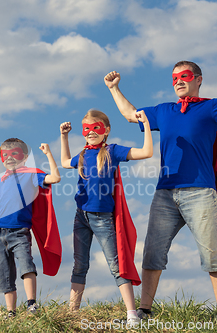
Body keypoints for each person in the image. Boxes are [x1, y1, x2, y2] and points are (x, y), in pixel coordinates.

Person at [104, 51, 217, 323]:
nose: (178, 82)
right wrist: (114, 88)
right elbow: (128, 115)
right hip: (165, 194)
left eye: (184, 76)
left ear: (198, 80)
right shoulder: (163, 111)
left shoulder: (211, 108)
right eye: (174, 78)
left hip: (201, 193)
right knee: (153, 253)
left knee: (211, 253)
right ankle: (144, 312)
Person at [60, 109, 153, 326]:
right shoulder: (82, 154)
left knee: (116, 264)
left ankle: (132, 315)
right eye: (87, 129)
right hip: (80, 216)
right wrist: (64, 136)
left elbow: (147, 152)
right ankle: (72, 313)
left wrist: (147, 125)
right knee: (79, 265)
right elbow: (65, 162)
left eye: (96, 128)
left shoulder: (113, 151)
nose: (91, 132)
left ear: (106, 130)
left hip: (102, 218)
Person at [0, 138, 62, 318]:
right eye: (5, 155)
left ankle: (31, 304)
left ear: (24, 157)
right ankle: (11, 312)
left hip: (19, 231)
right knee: (5, 273)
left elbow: (55, 178)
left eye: (14, 153)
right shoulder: (3, 179)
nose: (9, 158)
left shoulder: (31, 174)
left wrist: (48, 154)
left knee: (26, 265)